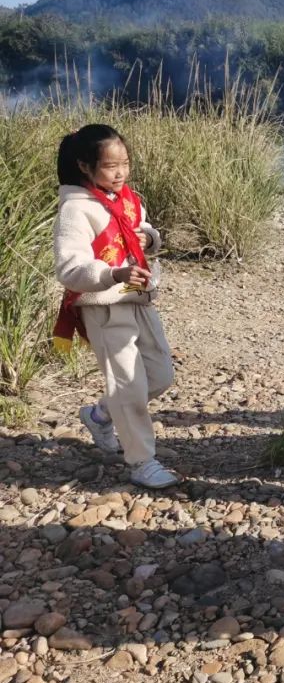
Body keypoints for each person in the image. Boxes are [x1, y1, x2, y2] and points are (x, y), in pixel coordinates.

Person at [52, 124, 178, 489]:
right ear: (85, 167)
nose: (120, 172)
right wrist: (115, 273)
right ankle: (142, 461)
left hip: (140, 300)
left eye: (125, 163)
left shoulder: (127, 199)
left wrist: (148, 238)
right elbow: (69, 268)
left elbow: (143, 229)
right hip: (105, 306)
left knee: (159, 376)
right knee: (128, 386)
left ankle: (100, 415)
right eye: (110, 166)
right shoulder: (76, 210)